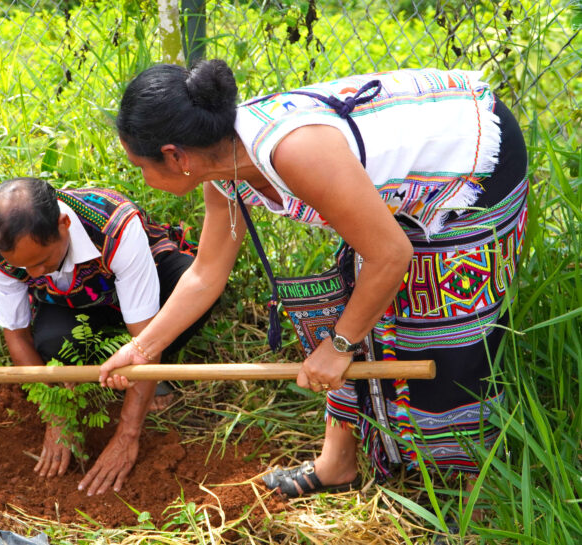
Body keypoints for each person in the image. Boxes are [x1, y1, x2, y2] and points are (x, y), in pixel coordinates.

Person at [99, 60, 528, 497]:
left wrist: (340, 346)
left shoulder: (293, 152)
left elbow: (391, 255)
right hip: (399, 183)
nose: (143, 180)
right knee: (353, 304)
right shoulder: (223, 171)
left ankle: (474, 493)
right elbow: (205, 275)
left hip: (471, 159)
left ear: (175, 156)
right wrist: (141, 348)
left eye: (140, 167)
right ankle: (336, 464)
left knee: (445, 324)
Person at [0, 177, 209, 495]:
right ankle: (109, 366)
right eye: (24, 267)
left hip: (152, 290)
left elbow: (146, 339)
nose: (34, 275)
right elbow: (17, 335)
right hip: (78, 305)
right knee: (50, 343)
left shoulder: (114, 226)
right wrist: (56, 412)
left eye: (43, 261)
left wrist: (127, 434)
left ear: (63, 224)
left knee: (189, 297)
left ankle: (152, 376)